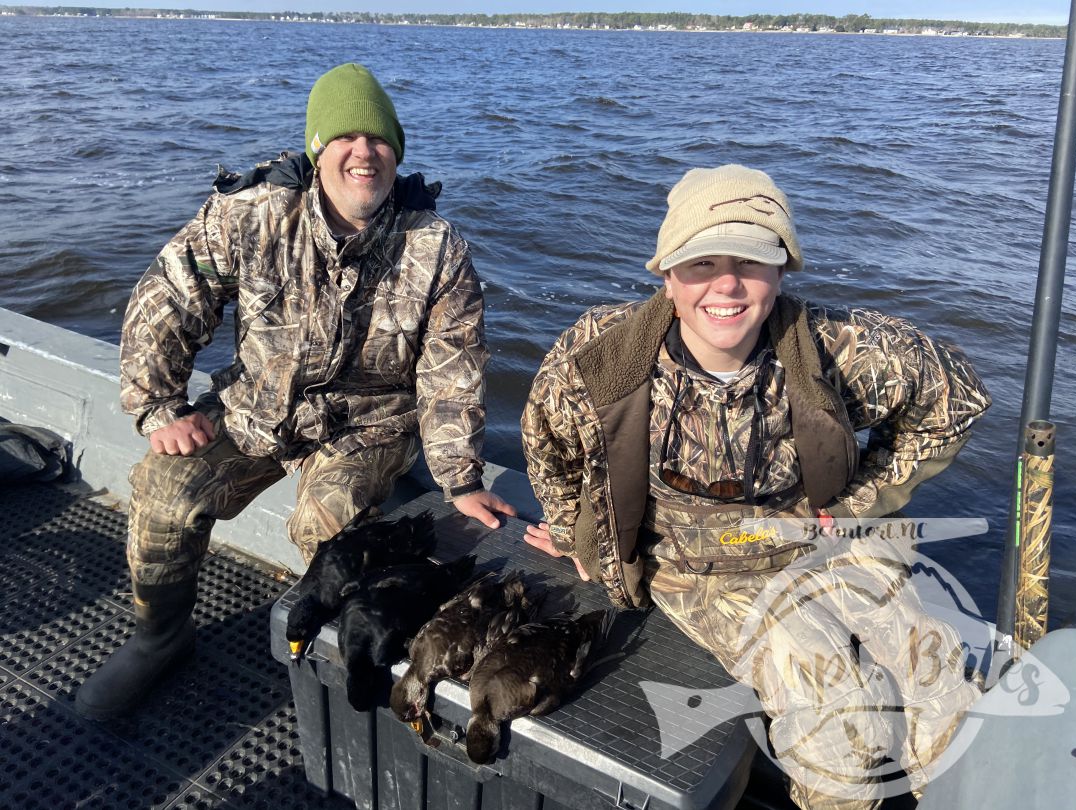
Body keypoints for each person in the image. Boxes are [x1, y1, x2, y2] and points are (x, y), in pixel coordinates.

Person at [520, 164, 991, 809]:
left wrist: (864, 501)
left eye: (750, 260)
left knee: (947, 702)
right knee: (842, 744)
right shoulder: (602, 356)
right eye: (700, 263)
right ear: (666, 274)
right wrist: (580, 529)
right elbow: (547, 436)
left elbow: (955, 399)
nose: (726, 285)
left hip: (826, 543)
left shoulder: (837, 349)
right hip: (702, 570)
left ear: (782, 269)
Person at [75, 63, 515, 721]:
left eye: (379, 139)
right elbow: (169, 297)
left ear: (397, 150)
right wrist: (157, 404)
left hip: (368, 427)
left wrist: (459, 479)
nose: (363, 152)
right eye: (345, 137)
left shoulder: (438, 247)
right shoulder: (250, 214)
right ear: (317, 147)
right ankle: (160, 639)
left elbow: (452, 374)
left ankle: (342, 670)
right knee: (164, 487)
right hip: (258, 410)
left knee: (328, 528)